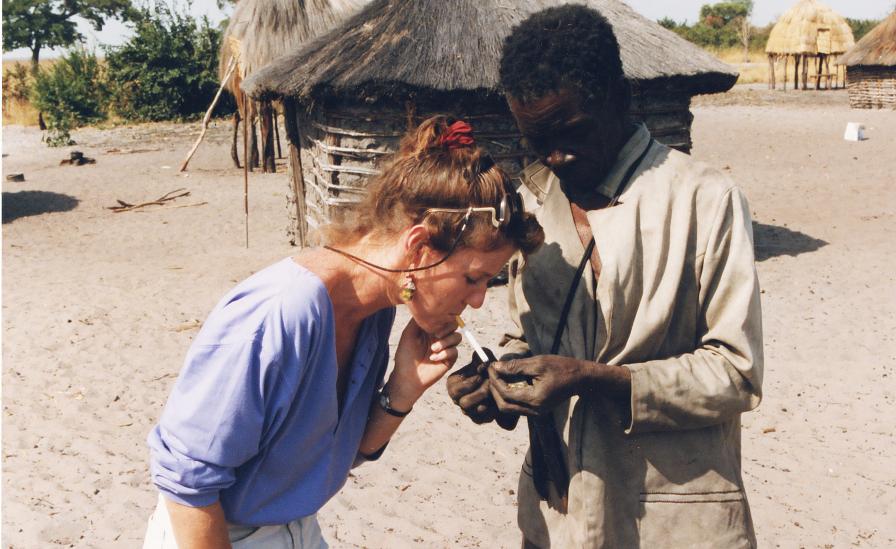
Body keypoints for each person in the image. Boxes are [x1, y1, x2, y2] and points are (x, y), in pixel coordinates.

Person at [143, 115, 544, 549]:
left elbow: (334, 460)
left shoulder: (372, 310)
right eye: (473, 278)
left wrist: (403, 387)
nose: (479, 300)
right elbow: (187, 488)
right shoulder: (279, 315)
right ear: (418, 247)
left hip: (296, 529)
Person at [446, 6, 764, 548]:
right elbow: (530, 333)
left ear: (619, 98)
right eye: (535, 140)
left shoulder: (706, 201)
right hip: (558, 511)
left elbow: (736, 374)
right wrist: (499, 382)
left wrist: (593, 379)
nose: (554, 156)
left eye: (571, 133)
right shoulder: (532, 204)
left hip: (675, 516)